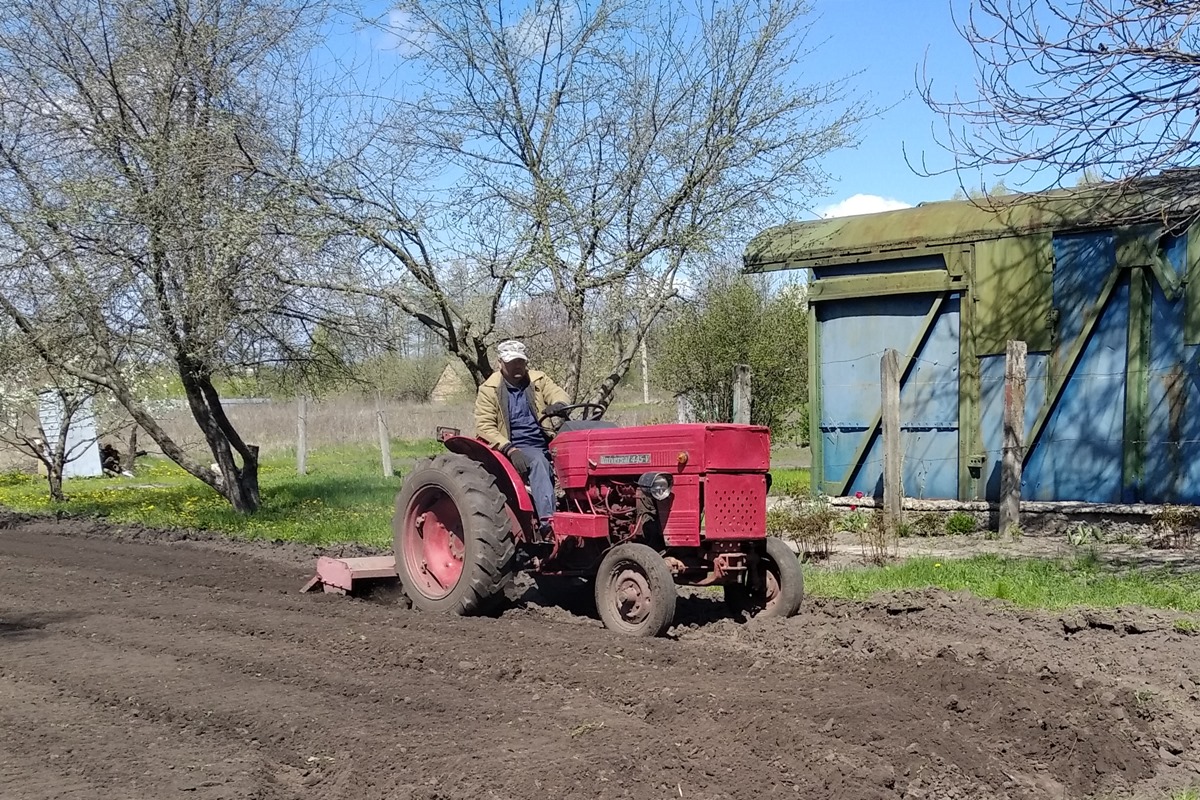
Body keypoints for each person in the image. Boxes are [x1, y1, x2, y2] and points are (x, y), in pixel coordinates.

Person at [474, 340, 570, 533]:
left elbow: (559, 394)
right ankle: (548, 524)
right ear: (500, 363)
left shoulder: (538, 380)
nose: (517, 366)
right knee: (538, 462)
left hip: (545, 440)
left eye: (520, 361)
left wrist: (559, 404)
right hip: (515, 445)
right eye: (511, 362)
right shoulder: (489, 389)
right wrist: (509, 448)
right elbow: (484, 426)